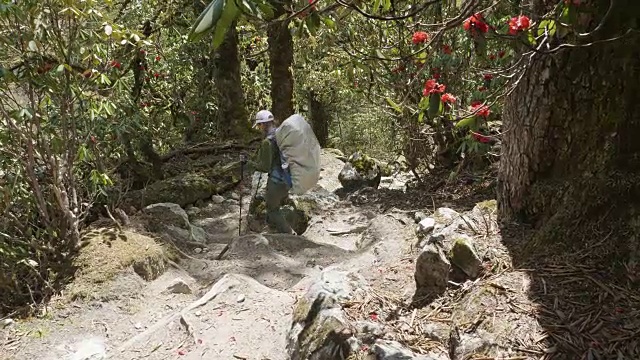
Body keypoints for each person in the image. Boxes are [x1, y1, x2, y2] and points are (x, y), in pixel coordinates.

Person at [245, 110, 294, 235]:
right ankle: (273, 230)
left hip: (277, 180)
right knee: (275, 204)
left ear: (263, 124)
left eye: (259, 125)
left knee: (272, 209)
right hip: (289, 177)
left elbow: (264, 167)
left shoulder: (268, 142)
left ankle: (289, 234)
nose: (259, 128)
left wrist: (247, 163)